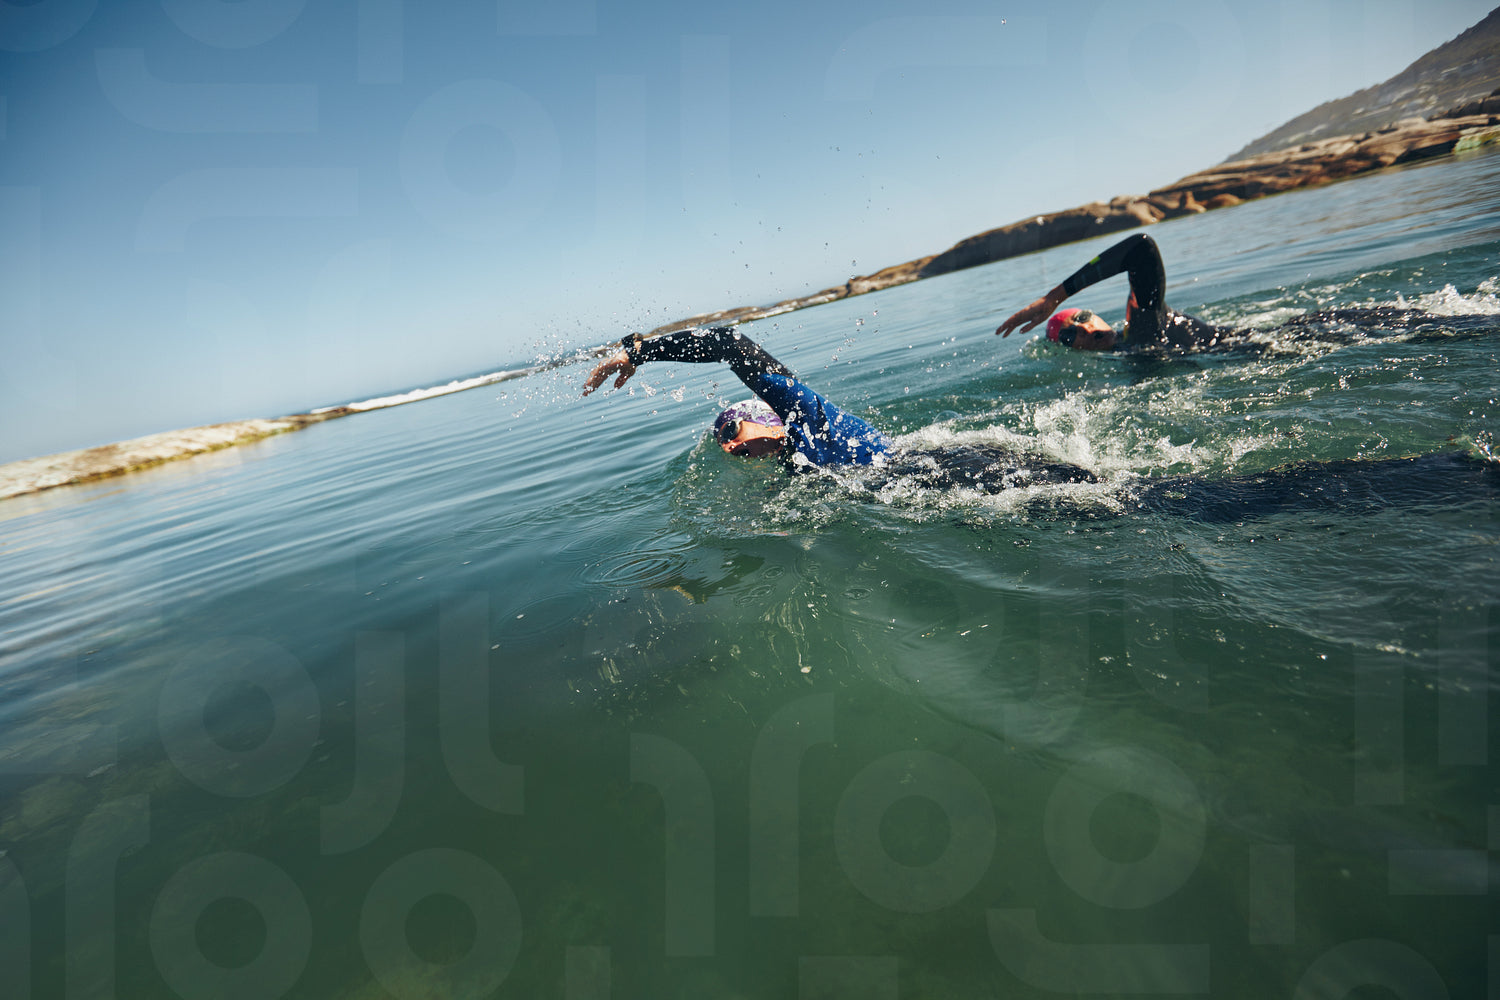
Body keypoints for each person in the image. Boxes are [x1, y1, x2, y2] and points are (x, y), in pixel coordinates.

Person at [582, 326, 1096, 487]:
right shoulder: (793, 470)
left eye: (731, 429)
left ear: (764, 419)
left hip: (950, 466)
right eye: (722, 440)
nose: (727, 445)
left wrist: (639, 352)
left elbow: (728, 342)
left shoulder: (804, 415)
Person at [995, 232, 1428, 352]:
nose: (1084, 330)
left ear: (1094, 314)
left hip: (1304, 337)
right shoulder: (1136, 341)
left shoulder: (1141, 328)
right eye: (1069, 336)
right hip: (1294, 342)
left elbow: (1141, 250)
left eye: (1081, 318)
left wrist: (1055, 298)